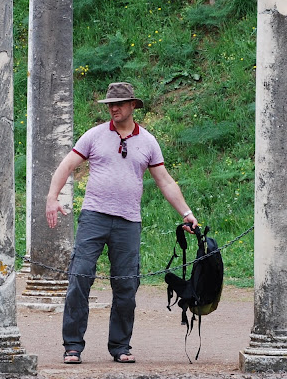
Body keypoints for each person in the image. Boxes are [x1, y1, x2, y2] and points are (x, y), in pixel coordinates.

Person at [45, 82, 198, 364]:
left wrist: (186, 213)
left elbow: (164, 181)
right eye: (110, 105)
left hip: (128, 222)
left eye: (119, 104)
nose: (113, 109)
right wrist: (52, 197)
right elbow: (66, 165)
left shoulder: (148, 141)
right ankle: (73, 346)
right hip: (93, 217)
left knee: (126, 286)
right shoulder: (94, 136)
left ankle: (120, 346)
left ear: (132, 106)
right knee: (80, 278)